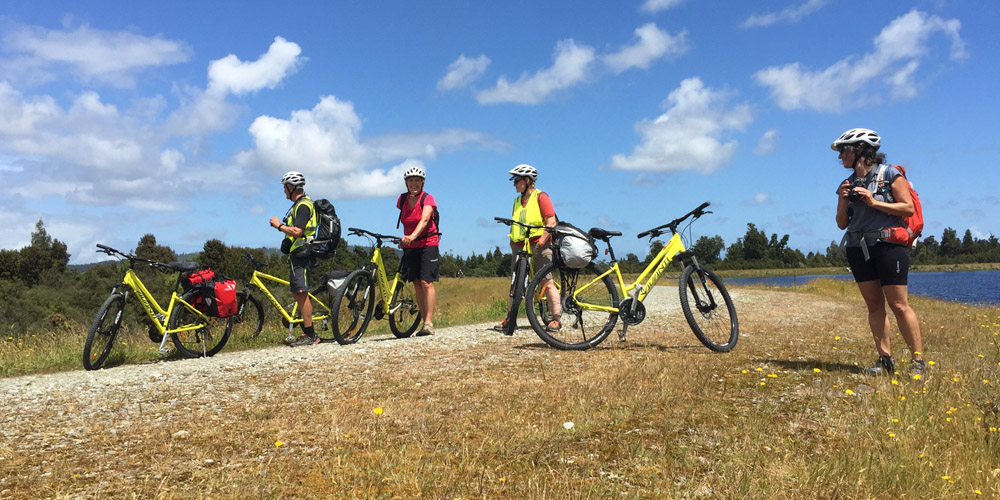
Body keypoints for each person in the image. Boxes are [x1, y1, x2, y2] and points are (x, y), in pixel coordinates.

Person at [833, 128, 925, 375]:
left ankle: (917, 362)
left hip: (889, 245)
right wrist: (843, 200)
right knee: (874, 305)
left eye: (844, 151)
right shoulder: (847, 183)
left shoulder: (890, 174)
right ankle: (884, 359)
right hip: (858, 247)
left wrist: (873, 202)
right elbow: (842, 223)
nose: (840, 156)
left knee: (898, 305)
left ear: (860, 150)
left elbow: (907, 208)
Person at [495, 163, 561, 334]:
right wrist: (512, 242)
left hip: (540, 243)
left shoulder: (541, 197)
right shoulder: (517, 201)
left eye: (516, 180)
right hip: (520, 246)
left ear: (527, 180)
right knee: (515, 283)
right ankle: (510, 318)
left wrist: (541, 243)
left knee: (546, 280)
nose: (514, 184)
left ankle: (556, 319)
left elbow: (551, 222)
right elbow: (514, 223)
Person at [269, 171, 320, 347]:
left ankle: (310, 334)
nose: (284, 190)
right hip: (299, 254)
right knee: (297, 292)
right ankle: (308, 331)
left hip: (304, 253)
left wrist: (279, 226)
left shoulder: (303, 206)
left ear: (291, 187)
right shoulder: (298, 205)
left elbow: (298, 231)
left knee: (301, 293)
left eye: (285, 187)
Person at [397, 165, 439, 336]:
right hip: (410, 245)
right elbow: (407, 221)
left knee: (426, 282)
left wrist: (413, 236)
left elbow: (425, 219)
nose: (414, 183)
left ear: (422, 182)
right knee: (415, 282)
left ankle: (429, 322)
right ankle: (423, 321)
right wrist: (405, 240)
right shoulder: (402, 200)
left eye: (417, 180)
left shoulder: (427, 199)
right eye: (410, 180)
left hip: (428, 242)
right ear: (406, 183)